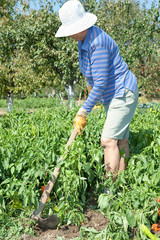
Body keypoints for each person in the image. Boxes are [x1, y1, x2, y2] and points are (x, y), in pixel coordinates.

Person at [55, 0, 139, 192]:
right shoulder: (84, 41)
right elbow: (93, 78)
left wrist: (83, 111)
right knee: (120, 141)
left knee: (108, 141)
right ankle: (121, 186)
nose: (68, 35)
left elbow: (100, 83)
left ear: (80, 26)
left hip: (122, 92)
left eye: (70, 30)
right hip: (113, 95)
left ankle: (110, 190)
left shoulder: (97, 43)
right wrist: (91, 104)